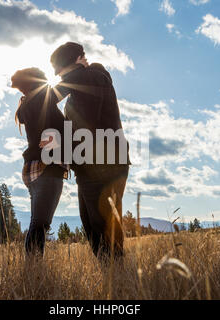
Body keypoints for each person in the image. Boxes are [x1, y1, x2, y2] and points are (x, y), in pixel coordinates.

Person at [49, 42, 130, 260]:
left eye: (62, 72)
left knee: (103, 227)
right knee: (92, 226)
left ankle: (118, 281)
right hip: (89, 164)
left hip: (104, 162)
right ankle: (113, 278)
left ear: (77, 61)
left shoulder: (92, 75)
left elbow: (84, 125)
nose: (61, 78)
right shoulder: (81, 85)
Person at [11, 67, 68, 256]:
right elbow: (66, 87)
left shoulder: (30, 103)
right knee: (40, 224)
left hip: (34, 167)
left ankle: (32, 268)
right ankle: (33, 268)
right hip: (46, 167)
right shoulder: (39, 98)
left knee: (38, 222)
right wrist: (79, 69)